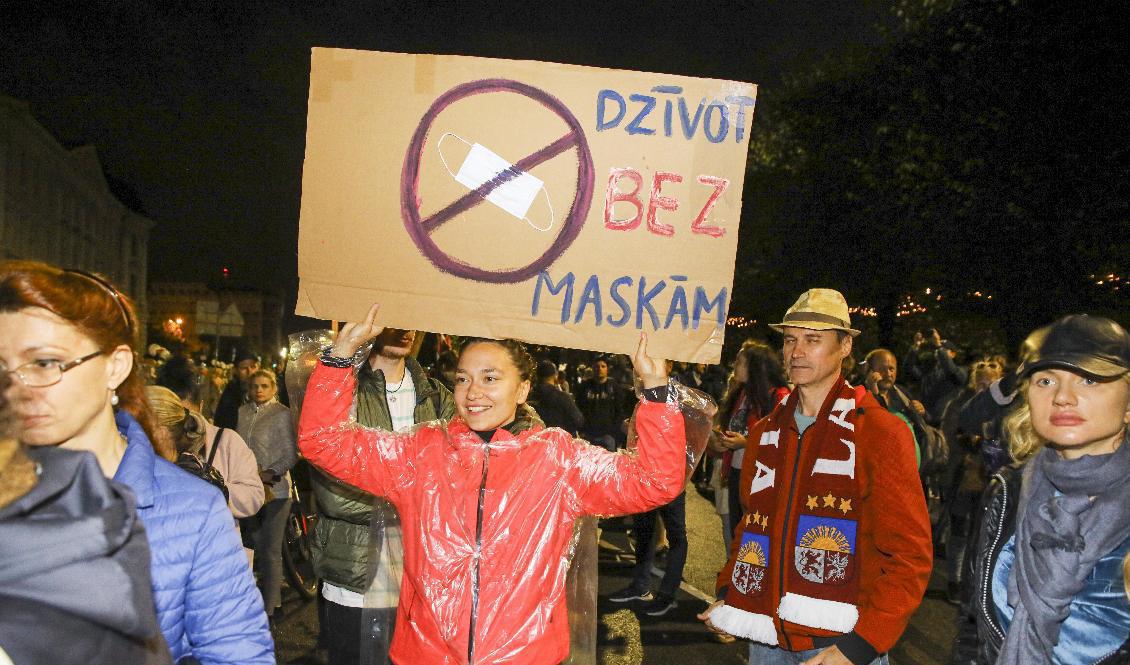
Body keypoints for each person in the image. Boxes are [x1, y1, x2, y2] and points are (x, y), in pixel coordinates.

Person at [298, 303, 686, 664]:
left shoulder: (558, 461)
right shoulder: (420, 455)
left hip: (524, 655)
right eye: (463, 378)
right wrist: (341, 355)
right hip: (427, 654)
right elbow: (323, 441)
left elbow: (655, 481)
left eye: (490, 378)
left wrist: (655, 390)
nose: (473, 392)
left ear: (523, 389)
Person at [0, 260, 273, 663]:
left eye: (44, 363)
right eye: (3, 368)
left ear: (116, 366)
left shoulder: (192, 509)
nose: (17, 386)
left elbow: (238, 653)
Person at [700, 288, 932, 665]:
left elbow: (910, 557)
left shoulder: (879, 432)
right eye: (790, 340)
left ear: (845, 347)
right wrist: (731, 594)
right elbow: (751, 525)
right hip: (766, 636)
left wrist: (861, 645)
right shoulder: (764, 433)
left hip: (842, 642)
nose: (797, 352)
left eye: (812, 340)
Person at [951, 314, 1130, 665]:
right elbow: (973, 631)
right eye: (1045, 380)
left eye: (1089, 379)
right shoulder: (1008, 491)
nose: (1062, 397)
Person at [312, 327, 455, 665]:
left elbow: (460, 478)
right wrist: (420, 500)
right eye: (394, 318)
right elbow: (334, 493)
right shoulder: (343, 391)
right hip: (356, 577)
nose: (405, 329)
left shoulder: (437, 396)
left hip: (424, 583)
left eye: (410, 319)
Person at [150, 366, 266, 522]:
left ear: (200, 406)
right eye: (171, 417)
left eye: (186, 414)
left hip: (216, 532)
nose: (182, 424)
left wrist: (217, 487)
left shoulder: (226, 440)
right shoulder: (144, 442)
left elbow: (254, 496)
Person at [709, 340, 789, 542]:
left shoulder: (779, 396)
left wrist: (745, 443)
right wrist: (720, 441)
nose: (734, 365)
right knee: (737, 531)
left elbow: (783, 440)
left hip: (760, 477)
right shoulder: (741, 393)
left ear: (754, 367)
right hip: (736, 471)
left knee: (754, 534)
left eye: (739, 361)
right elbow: (731, 428)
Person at [237, 367, 298, 620]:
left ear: (273, 388)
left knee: (271, 549)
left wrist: (271, 472)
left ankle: (273, 606)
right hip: (248, 489)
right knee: (252, 545)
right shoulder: (242, 412)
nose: (259, 390)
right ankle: (251, 602)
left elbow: (291, 453)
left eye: (264, 386)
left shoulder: (282, 414)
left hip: (276, 490)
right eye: (254, 386)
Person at [575, 356, 632, 451]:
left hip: (608, 435)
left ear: (607, 369)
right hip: (588, 434)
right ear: (593, 369)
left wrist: (615, 430)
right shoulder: (585, 387)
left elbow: (620, 409)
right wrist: (582, 430)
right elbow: (578, 408)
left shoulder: (614, 387)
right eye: (597, 366)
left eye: (603, 366)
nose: (600, 369)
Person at [526, 359, 584, 434]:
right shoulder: (563, 397)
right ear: (555, 376)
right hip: (560, 439)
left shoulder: (528, 397)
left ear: (537, 376)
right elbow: (579, 421)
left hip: (536, 439)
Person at [215, 350, 259, 429]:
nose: (250, 371)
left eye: (253, 367)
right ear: (235, 370)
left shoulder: (267, 390)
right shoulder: (231, 393)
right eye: (244, 368)